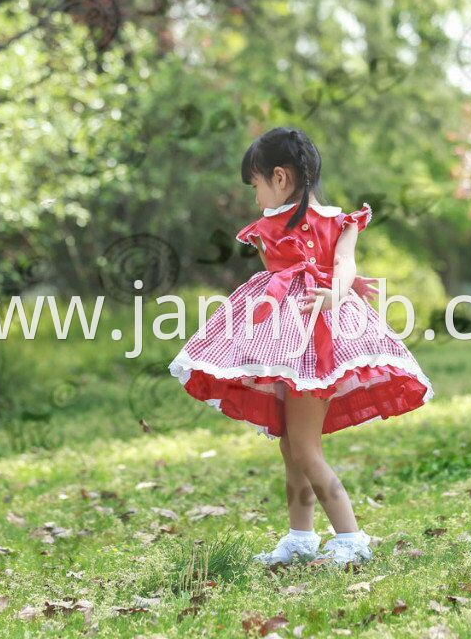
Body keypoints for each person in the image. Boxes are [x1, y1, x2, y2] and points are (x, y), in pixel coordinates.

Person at [168, 126, 435, 566]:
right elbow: (277, 278)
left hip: (323, 345)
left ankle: (350, 538)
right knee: (290, 444)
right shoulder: (265, 228)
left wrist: (337, 289)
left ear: (279, 177)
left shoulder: (340, 221)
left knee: (305, 447)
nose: (255, 197)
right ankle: (300, 536)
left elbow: (343, 263)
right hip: (285, 344)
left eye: (255, 185)